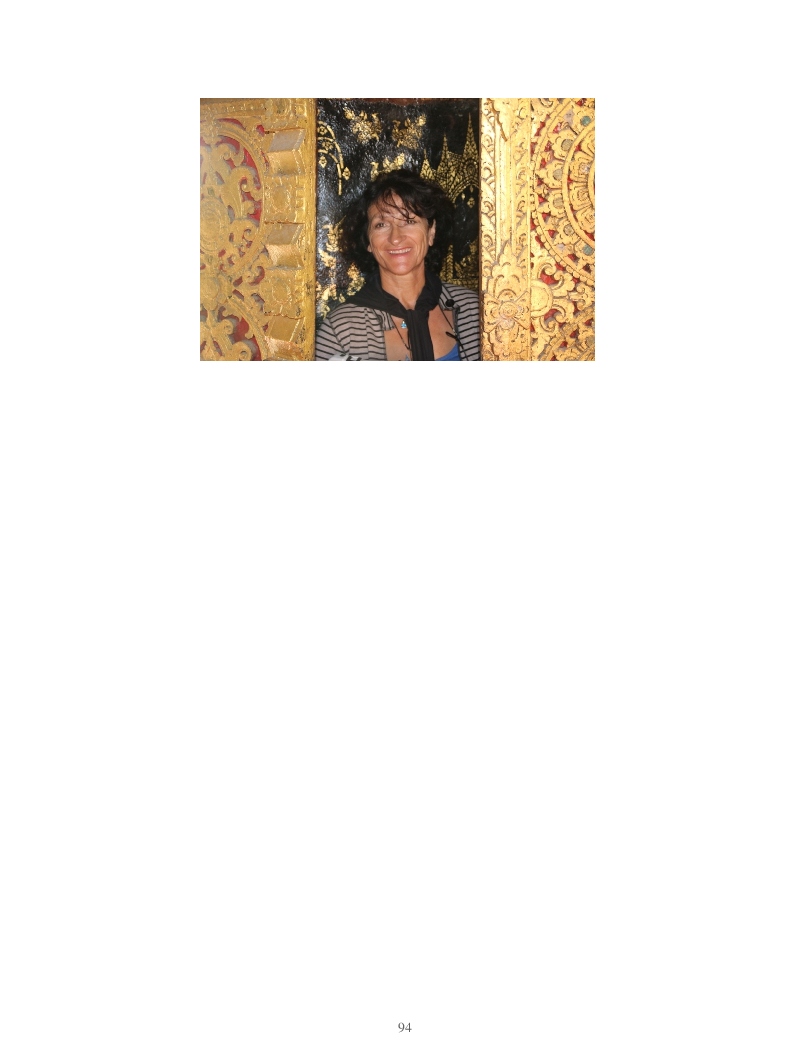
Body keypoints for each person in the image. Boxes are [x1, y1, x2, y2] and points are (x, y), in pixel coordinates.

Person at [314, 170, 480, 361]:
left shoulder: (474, 311)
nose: (395, 238)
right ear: (368, 240)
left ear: (431, 231)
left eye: (409, 221)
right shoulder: (340, 331)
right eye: (381, 225)